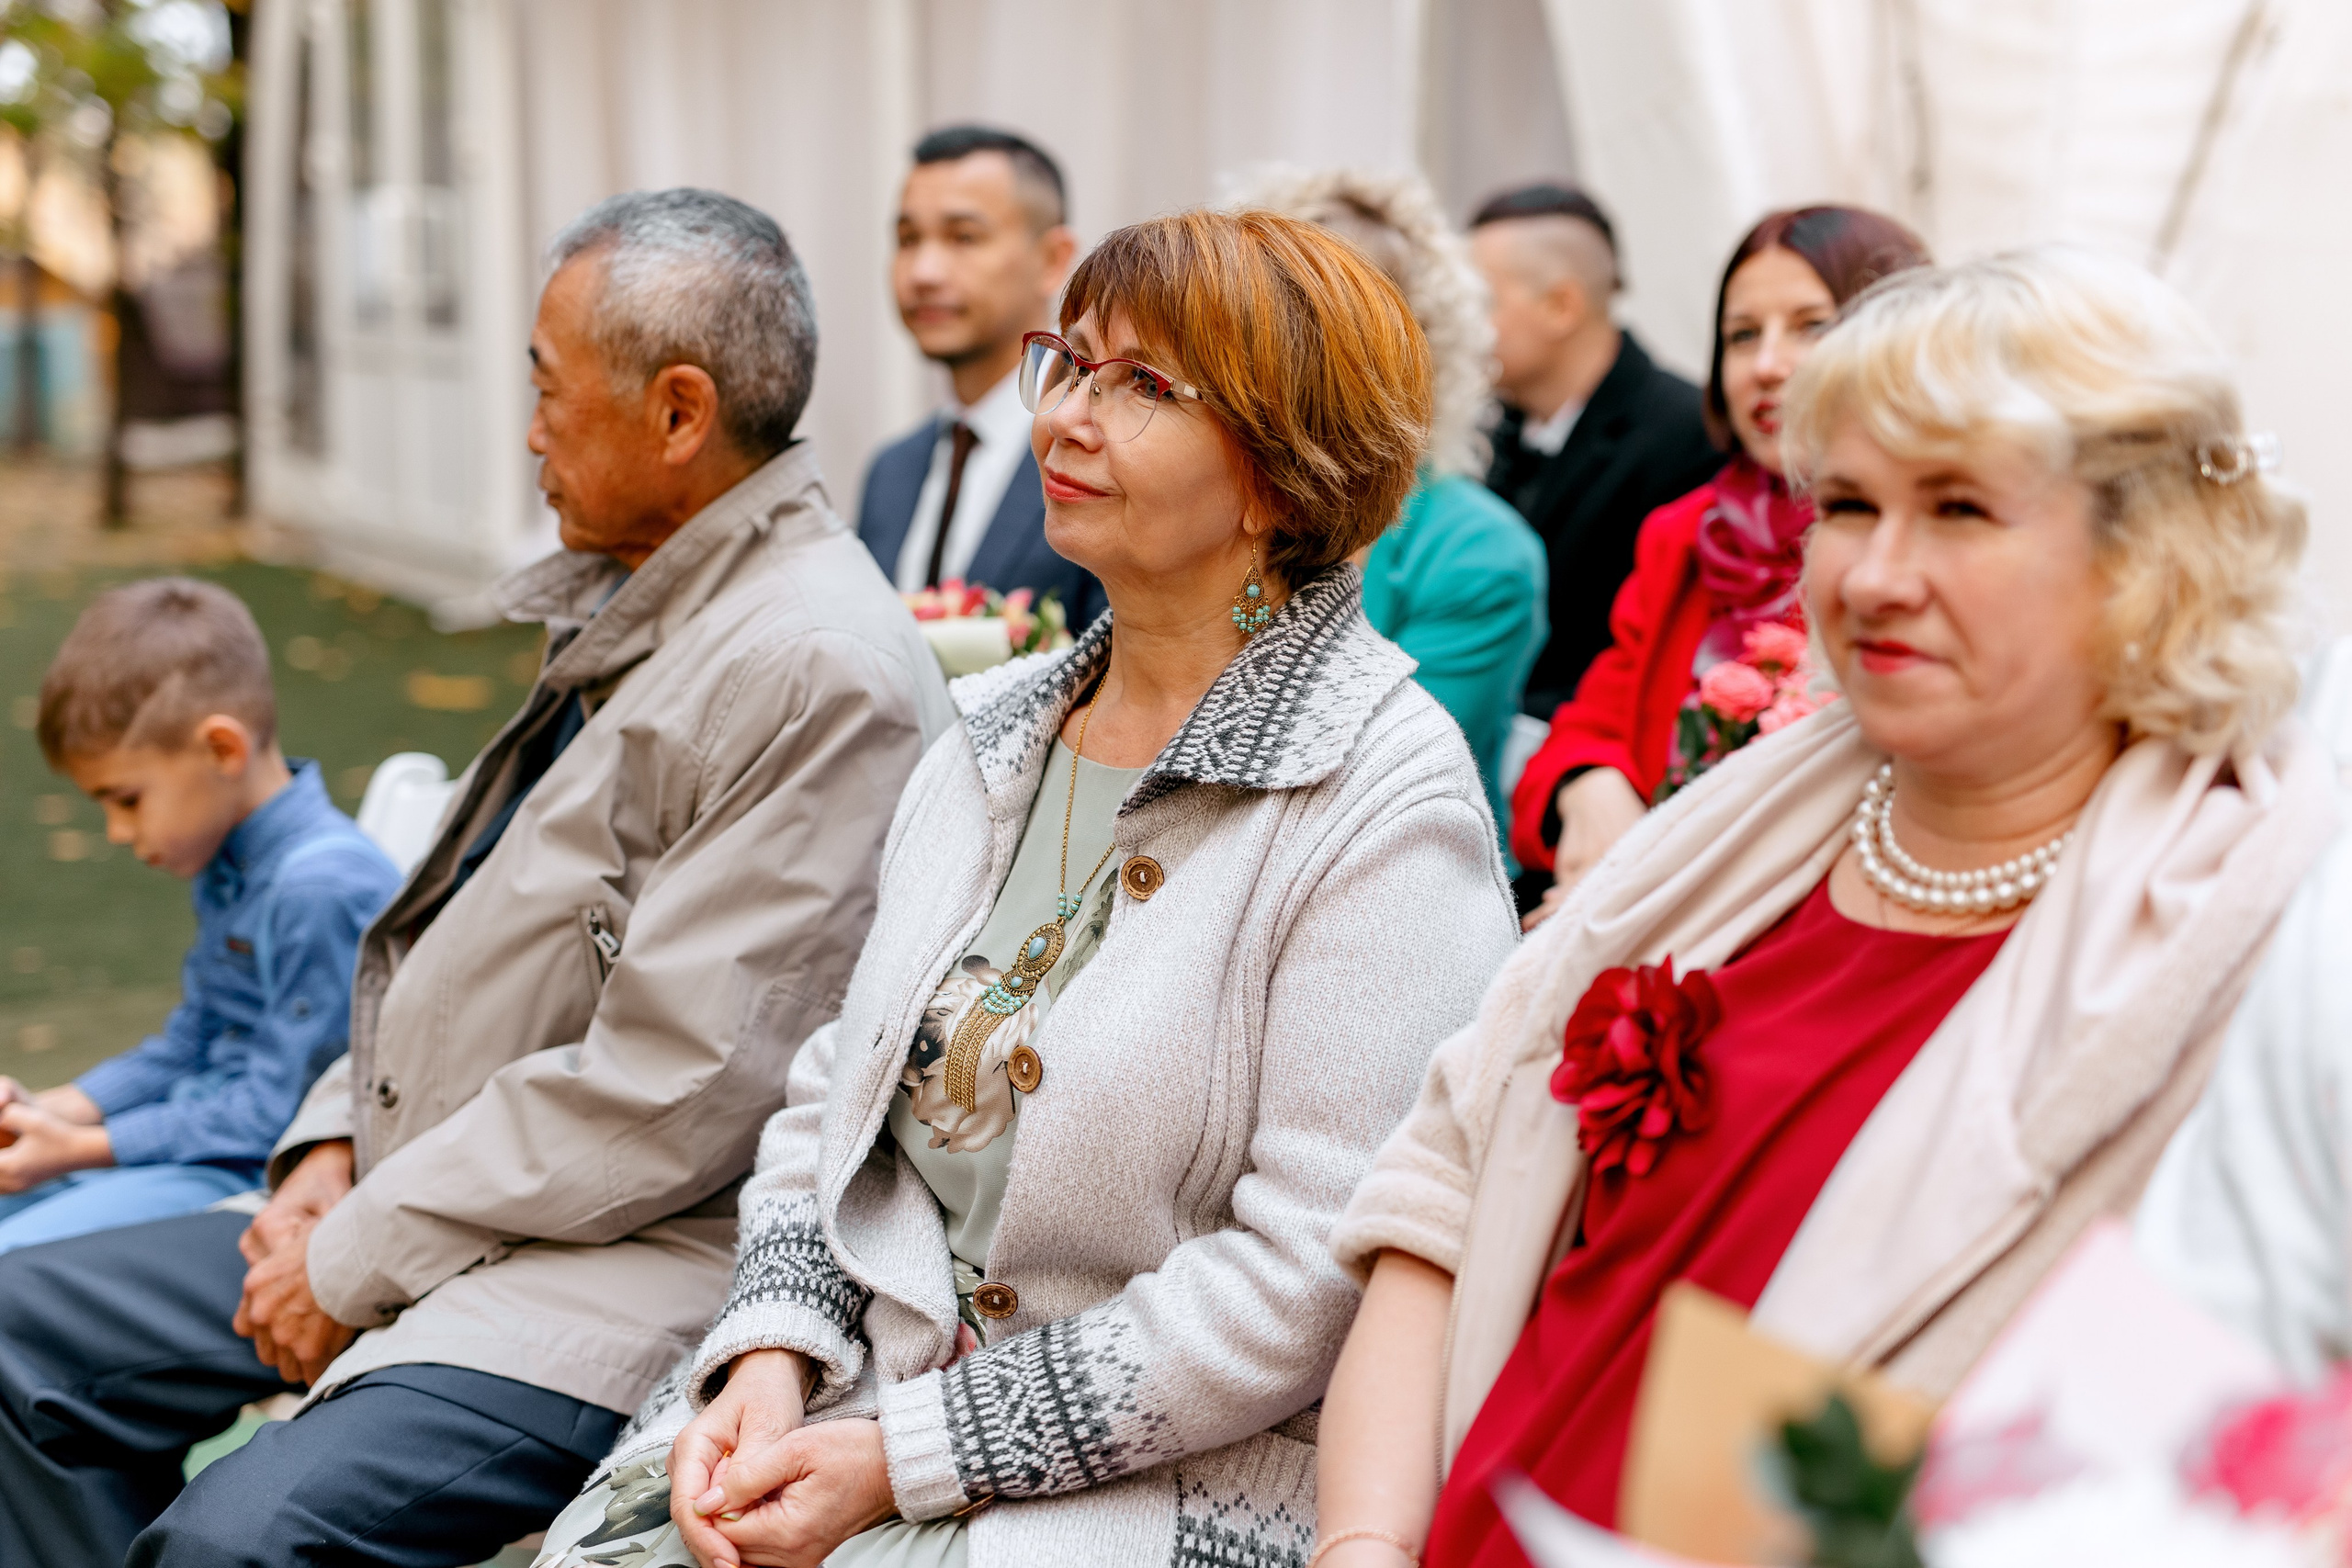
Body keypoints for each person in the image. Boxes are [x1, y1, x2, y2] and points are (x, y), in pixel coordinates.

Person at [1309, 247, 2332, 1566]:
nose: (1873, 575)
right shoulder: (1723, 833)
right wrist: (1365, 1544)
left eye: (1960, 508)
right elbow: (1439, 1199)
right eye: (1848, 503)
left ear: (2148, 554)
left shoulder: (2259, 931)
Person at [533, 209, 1521, 1568]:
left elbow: (1308, 1277)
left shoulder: (1381, 793)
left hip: (1169, 1481)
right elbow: (839, 1094)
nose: (1066, 417)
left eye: (1144, 387)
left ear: (1284, 475)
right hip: (859, 1393)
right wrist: (766, 1350)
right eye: (1069, 361)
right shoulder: (994, 730)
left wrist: (908, 1453)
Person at [0, 188, 956, 1568]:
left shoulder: (815, 666)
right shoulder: (646, 599)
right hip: (411, 1185)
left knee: (235, 1541)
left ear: (678, 414)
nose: (529, 433)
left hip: (606, 1264)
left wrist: (352, 1252)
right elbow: (440, 934)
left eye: (547, 390)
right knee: (17, 1331)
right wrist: (326, 1146)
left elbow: (673, 1094)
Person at [1514, 208, 1931, 926]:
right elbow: (1589, 722)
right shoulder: (1689, 535)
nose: (1767, 364)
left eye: (1811, 326)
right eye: (1743, 335)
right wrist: (1591, 782)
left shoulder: (1919, 557)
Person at [0, 579, 397, 1254]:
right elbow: (194, 1040)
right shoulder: (229, 858)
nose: (118, 832)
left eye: (126, 799)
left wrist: (84, 1147)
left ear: (221, 749)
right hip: (193, 1137)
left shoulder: (320, 888)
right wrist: (51, 1109)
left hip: (252, 1177)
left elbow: (279, 1114)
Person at [1241, 166, 1548, 854]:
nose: (1294, 347)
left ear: (1414, 345)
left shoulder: (1479, 553)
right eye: (1268, 311)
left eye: (1338, 314)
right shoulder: (1203, 503)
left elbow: (1361, 781)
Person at [1472, 184, 1722, 722]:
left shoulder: (1688, 435)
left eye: (1481, 302)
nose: (1460, 323)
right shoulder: (1488, 433)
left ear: (1561, 305)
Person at [858, 125, 1109, 626]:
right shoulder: (891, 472)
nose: (924, 272)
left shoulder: (1098, 451)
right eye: (908, 240)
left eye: (963, 237)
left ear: (1053, 259)